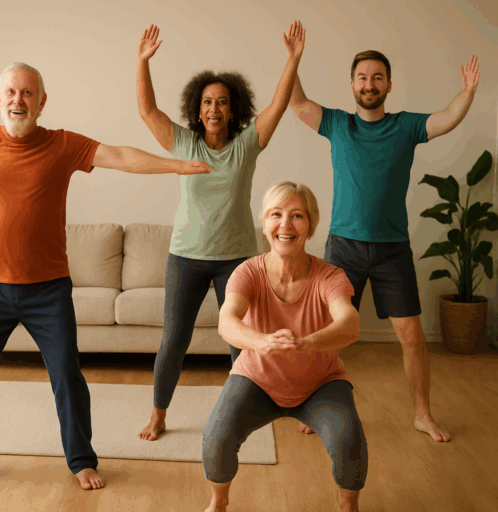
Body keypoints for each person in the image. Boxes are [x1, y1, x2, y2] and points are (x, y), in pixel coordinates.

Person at [0, 62, 212, 490]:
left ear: (41, 102)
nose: (18, 100)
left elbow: (118, 156)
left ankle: (81, 460)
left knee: (66, 374)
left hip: (48, 291)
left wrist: (175, 167)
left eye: (27, 93)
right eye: (10, 92)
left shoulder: (63, 145)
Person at [289, 51, 481, 442]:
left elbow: (445, 118)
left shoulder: (405, 127)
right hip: (344, 247)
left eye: (377, 77)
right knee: (328, 333)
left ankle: (422, 415)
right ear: (352, 84)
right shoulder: (338, 124)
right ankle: (315, 407)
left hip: (392, 250)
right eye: (362, 77)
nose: (369, 84)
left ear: (389, 85)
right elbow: (298, 103)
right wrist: (292, 62)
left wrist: (467, 92)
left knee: (411, 336)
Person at [136, 21, 306, 441]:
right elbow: (147, 112)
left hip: (237, 260)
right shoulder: (184, 144)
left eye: (223, 103)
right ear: (198, 109)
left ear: (234, 110)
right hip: (185, 257)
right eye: (208, 102)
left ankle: (242, 413)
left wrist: (293, 59)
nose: (214, 109)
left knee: (242, 343)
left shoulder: (246, 145)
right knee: (174, 341)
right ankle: (158, 414)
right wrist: (142, 63)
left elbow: (279, 107)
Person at [203, 182, 366, 512]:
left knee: (348, 440)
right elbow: (227, 322)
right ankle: (218, 504)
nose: (286, 225)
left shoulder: (330, 276)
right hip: (257, 380)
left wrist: (308, 343)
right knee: (216, 439)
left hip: (320, 384)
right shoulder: (247, 272)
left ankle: (349, 507)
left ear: (311, 224)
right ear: (264, 222)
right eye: (276, 214)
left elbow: (350, 324)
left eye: (297, 216)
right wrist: (262, 341)